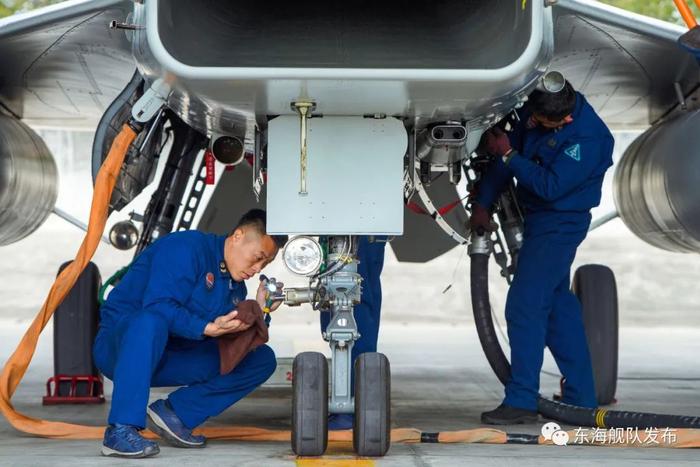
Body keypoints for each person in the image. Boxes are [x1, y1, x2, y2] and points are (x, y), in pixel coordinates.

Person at [471, 81, 614, 424]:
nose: (541, 126)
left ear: (564, 118)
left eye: (552, 123)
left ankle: (521, 400)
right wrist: (483, 202)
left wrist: (508, 153)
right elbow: (508, 157)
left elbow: (548, 185)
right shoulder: (536, 113)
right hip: (536, 220)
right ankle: (581, 399)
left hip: (559, 225)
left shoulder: (589, 136)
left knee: (524, 306)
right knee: (557, 310)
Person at [93, 209, 287, 458]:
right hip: (121, 350)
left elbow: (234, 343)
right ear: (238, 236)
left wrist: (261, 309)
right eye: (257, 257)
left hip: (169, 355)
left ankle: (175, 414)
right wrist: (206, 328)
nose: (257, 267)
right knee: (150, 320)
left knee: (260, 359)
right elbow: (158, 305)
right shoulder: (186, 248)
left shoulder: (234, 287)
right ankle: (120, 430)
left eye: (265, 263)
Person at [320, 236, 386, 430]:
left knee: (355, 292)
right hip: (333, 222)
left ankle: (354, 403)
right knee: (330, 290)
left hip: (364, 223)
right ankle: (354, 400)